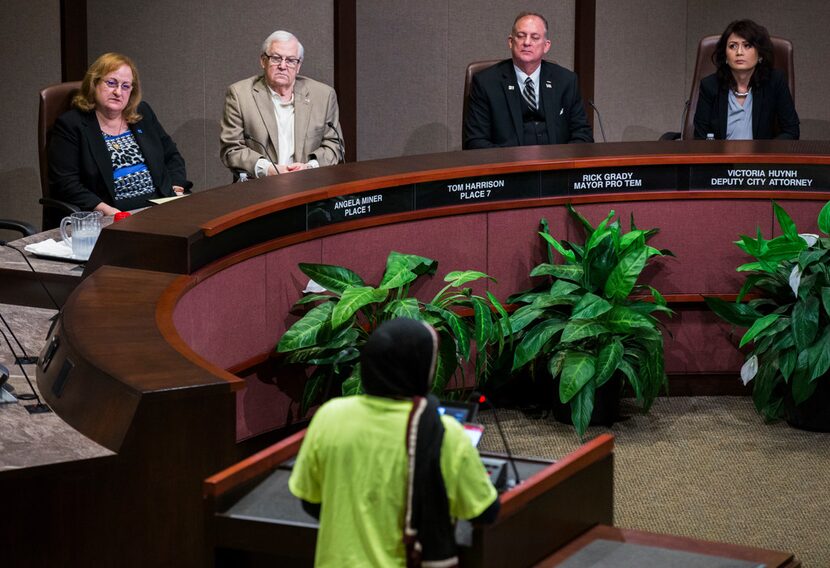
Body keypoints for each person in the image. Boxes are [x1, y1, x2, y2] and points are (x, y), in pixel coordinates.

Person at [289, 318, 499, 567]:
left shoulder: (330, 415)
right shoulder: (446, 434)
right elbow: (485, 512)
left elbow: (311, 501)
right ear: (423, 370)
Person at [49, 53, 191, 215]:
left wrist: (176, 190)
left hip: (159, 205)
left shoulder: (142, 113)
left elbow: (172, 156)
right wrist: (109, 212)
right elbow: (66, 183)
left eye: (125, 86)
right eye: (111, 83)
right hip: (113, 212)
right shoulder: (71, 124)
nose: (118, 92)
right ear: (94, 83)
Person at [220, 30, 343, 178]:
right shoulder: (240, 95)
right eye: (276, 58)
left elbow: (334, 146)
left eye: (291, 60)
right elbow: (231, 149)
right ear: (263, 61)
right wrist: (269, 170)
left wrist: (309, 167)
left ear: (298, 66)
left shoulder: (323, 96)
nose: (283, 66)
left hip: (310, 185)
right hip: (260, 188)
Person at [463, 12, 593, 149]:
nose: (527, 42)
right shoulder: (486, 82)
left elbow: (583, 134)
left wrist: (560, 161)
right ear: (511, 42)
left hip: (555, 165)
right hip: (508, 167)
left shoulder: (566, 81)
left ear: (546, 46)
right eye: (521, 36)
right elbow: (475, 141)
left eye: (535, 37)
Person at [693, 19, 799, 140]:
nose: (739, 52)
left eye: (747, 45)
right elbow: (700, 138)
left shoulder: (774, 82)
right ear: (725, 55)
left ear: (760, 54)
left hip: (762, 157)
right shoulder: (710, 86)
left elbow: (791, 131)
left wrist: (767, 154)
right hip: (720, 157)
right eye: (732, 46)